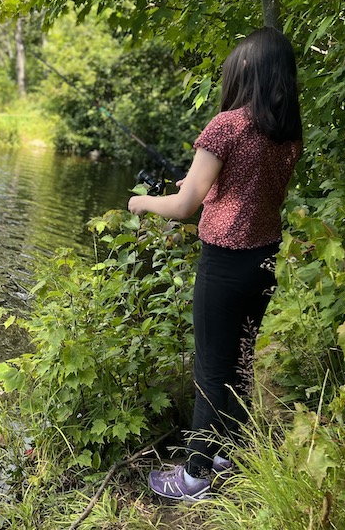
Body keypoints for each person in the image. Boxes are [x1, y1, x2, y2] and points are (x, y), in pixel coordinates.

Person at [128, 27, 303, 501]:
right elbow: (247, 191)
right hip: (263, 261)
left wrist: (142, 203)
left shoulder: (226, 125)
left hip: (225, 262)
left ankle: (193, 476)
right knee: (242, 362)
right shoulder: (286, 134)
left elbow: (186, 205)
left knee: (210, 368)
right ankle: (228, 452)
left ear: (245, 70)